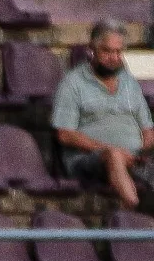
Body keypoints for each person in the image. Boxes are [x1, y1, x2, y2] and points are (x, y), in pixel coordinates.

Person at [52, 19, 154, 211]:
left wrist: (138, 152)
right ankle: (137, 209)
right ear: (92, 50)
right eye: (107, 51)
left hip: (134, 158)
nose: (114, 57)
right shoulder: (72, 83)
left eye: (118, 52)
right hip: (89, 160)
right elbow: (64, 134)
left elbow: (148, 130)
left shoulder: (129, 83)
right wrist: (114, 150)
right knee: (113, 155)